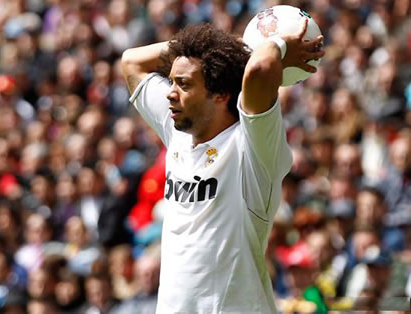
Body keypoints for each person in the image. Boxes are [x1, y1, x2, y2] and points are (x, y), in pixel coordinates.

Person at [121, 19, 324, 313]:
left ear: (220, 94)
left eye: (184, 84)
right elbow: (131, 61)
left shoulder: (252, 148)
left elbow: (260, 69)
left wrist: (274, 45)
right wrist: (222, 46)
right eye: (172, 80)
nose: (170, 92)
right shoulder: (177, 133)